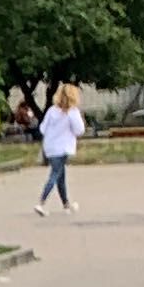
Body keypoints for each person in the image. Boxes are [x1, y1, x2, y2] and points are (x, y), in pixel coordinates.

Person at [37, 82, 85, 215]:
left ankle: (66, 204)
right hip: (63, 148)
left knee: (60, 175)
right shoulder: (72, 112)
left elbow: (42, 128)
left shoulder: (52, 110)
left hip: (50, 148)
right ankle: (41, 202)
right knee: (55, 174)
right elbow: (80, 130)